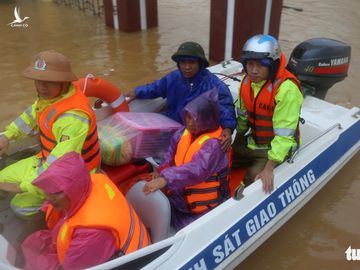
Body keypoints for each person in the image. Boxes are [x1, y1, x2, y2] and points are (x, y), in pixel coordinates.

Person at [0, 50, 101, 218]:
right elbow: (30, 117)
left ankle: (51, 214)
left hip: (71, 175)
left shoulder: (74, 118)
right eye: (38, 80)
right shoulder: (47, 99)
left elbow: (60, 166)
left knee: (19, 206)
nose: (41, 86)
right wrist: (7, 136)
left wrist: (23, 186)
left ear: (64, 82)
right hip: (45, 159)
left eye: (48, 82)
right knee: (1, 178)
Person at [21, 152, 150, 270]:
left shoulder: (91, 233)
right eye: (49, 190)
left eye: (57, 192)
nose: (48, 198)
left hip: (130, 263)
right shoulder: (94, 180)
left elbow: (72, 268)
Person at [143, 89, 231, 230]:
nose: (190, 123)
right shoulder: (182, 133)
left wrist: (165, 179)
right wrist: (160, 171)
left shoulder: (215, 145)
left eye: (195, 119)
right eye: (188, 117)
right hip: (179, 197)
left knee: (182, 231)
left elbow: (197, 170)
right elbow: (170, 155)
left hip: (202, 209)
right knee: (151, 208)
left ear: (207, 119)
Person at [125, 41, 237, 151]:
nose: (187, 67)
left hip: (195, 131)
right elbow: (155, 87)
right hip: (171, 124)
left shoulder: (213, 84)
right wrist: (137, 91)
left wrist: (228, 128)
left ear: (200, 63)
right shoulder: (173, 77)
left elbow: (225, 105)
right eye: (183, 62)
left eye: (191, 63)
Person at [232, 34, 303, 194]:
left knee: (252, 177)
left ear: (273, 65)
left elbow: (284, 136)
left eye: (260, 65)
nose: (254, 71)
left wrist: (269, 169)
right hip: (254, 141)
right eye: (250, 64)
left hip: (276, 149)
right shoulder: (245, 83)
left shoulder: (286, 90)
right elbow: (243, 118)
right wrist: (236, 144)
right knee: (223, 159)